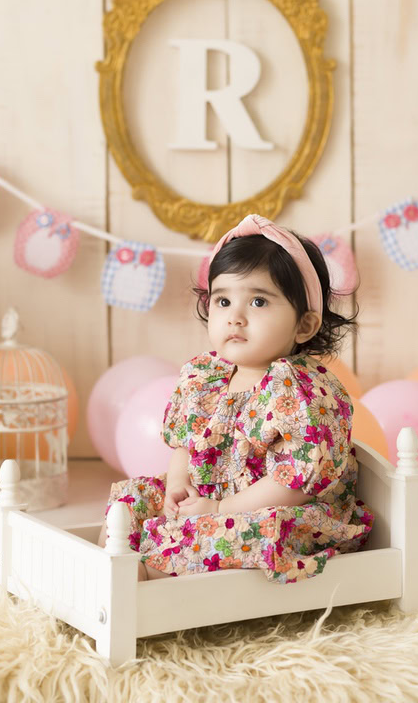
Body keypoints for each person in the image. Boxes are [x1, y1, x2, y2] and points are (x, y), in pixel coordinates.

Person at [96, 214, 375, 583]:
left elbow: (292, 486)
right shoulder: (204, 377)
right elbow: (186, 444)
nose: (236, 318)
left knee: (238, 533)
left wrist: (220, 508)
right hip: (210, 499)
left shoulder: (304, 391)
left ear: (304, 325)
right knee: (133, 498)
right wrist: (179, 483)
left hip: (277, 511)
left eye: (259, 302)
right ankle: (102, 571)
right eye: (223, 301)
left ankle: (145, 587)